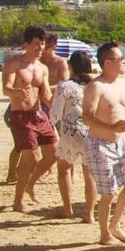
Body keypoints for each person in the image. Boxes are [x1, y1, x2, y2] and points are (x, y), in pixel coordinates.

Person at [82, 42, 125, 245]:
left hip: (118, 144)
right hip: (99, 143)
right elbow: (87, 117)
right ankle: (104, 233)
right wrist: (111, 128)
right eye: (120, 59)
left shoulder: (122, 83)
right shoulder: (96, 86)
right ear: (107, 62)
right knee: (108, 193)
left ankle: (115, 225)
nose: (124, 62)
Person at [1, 25, 57, 212]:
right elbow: (5, 88)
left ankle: (30, 185)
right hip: (20, 116)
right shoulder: (14, 64)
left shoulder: (42, 68)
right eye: (36, 44)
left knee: (53, 155)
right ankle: (18, 201)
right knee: (31, 158)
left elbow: (46, 95)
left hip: (38, 115)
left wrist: (63, 104)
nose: (40, 48)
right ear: (26, 44)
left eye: (42, 44)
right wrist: (16, 92)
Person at [49, 50, 97, 220]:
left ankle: (67, 208)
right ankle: (89, 214)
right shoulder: (95, 85)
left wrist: (56, 122)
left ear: (71, 67)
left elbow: (55, 112)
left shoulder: (65, 86)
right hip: (91, 132)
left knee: (63, 170)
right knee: (89, 175)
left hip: (70, 131)